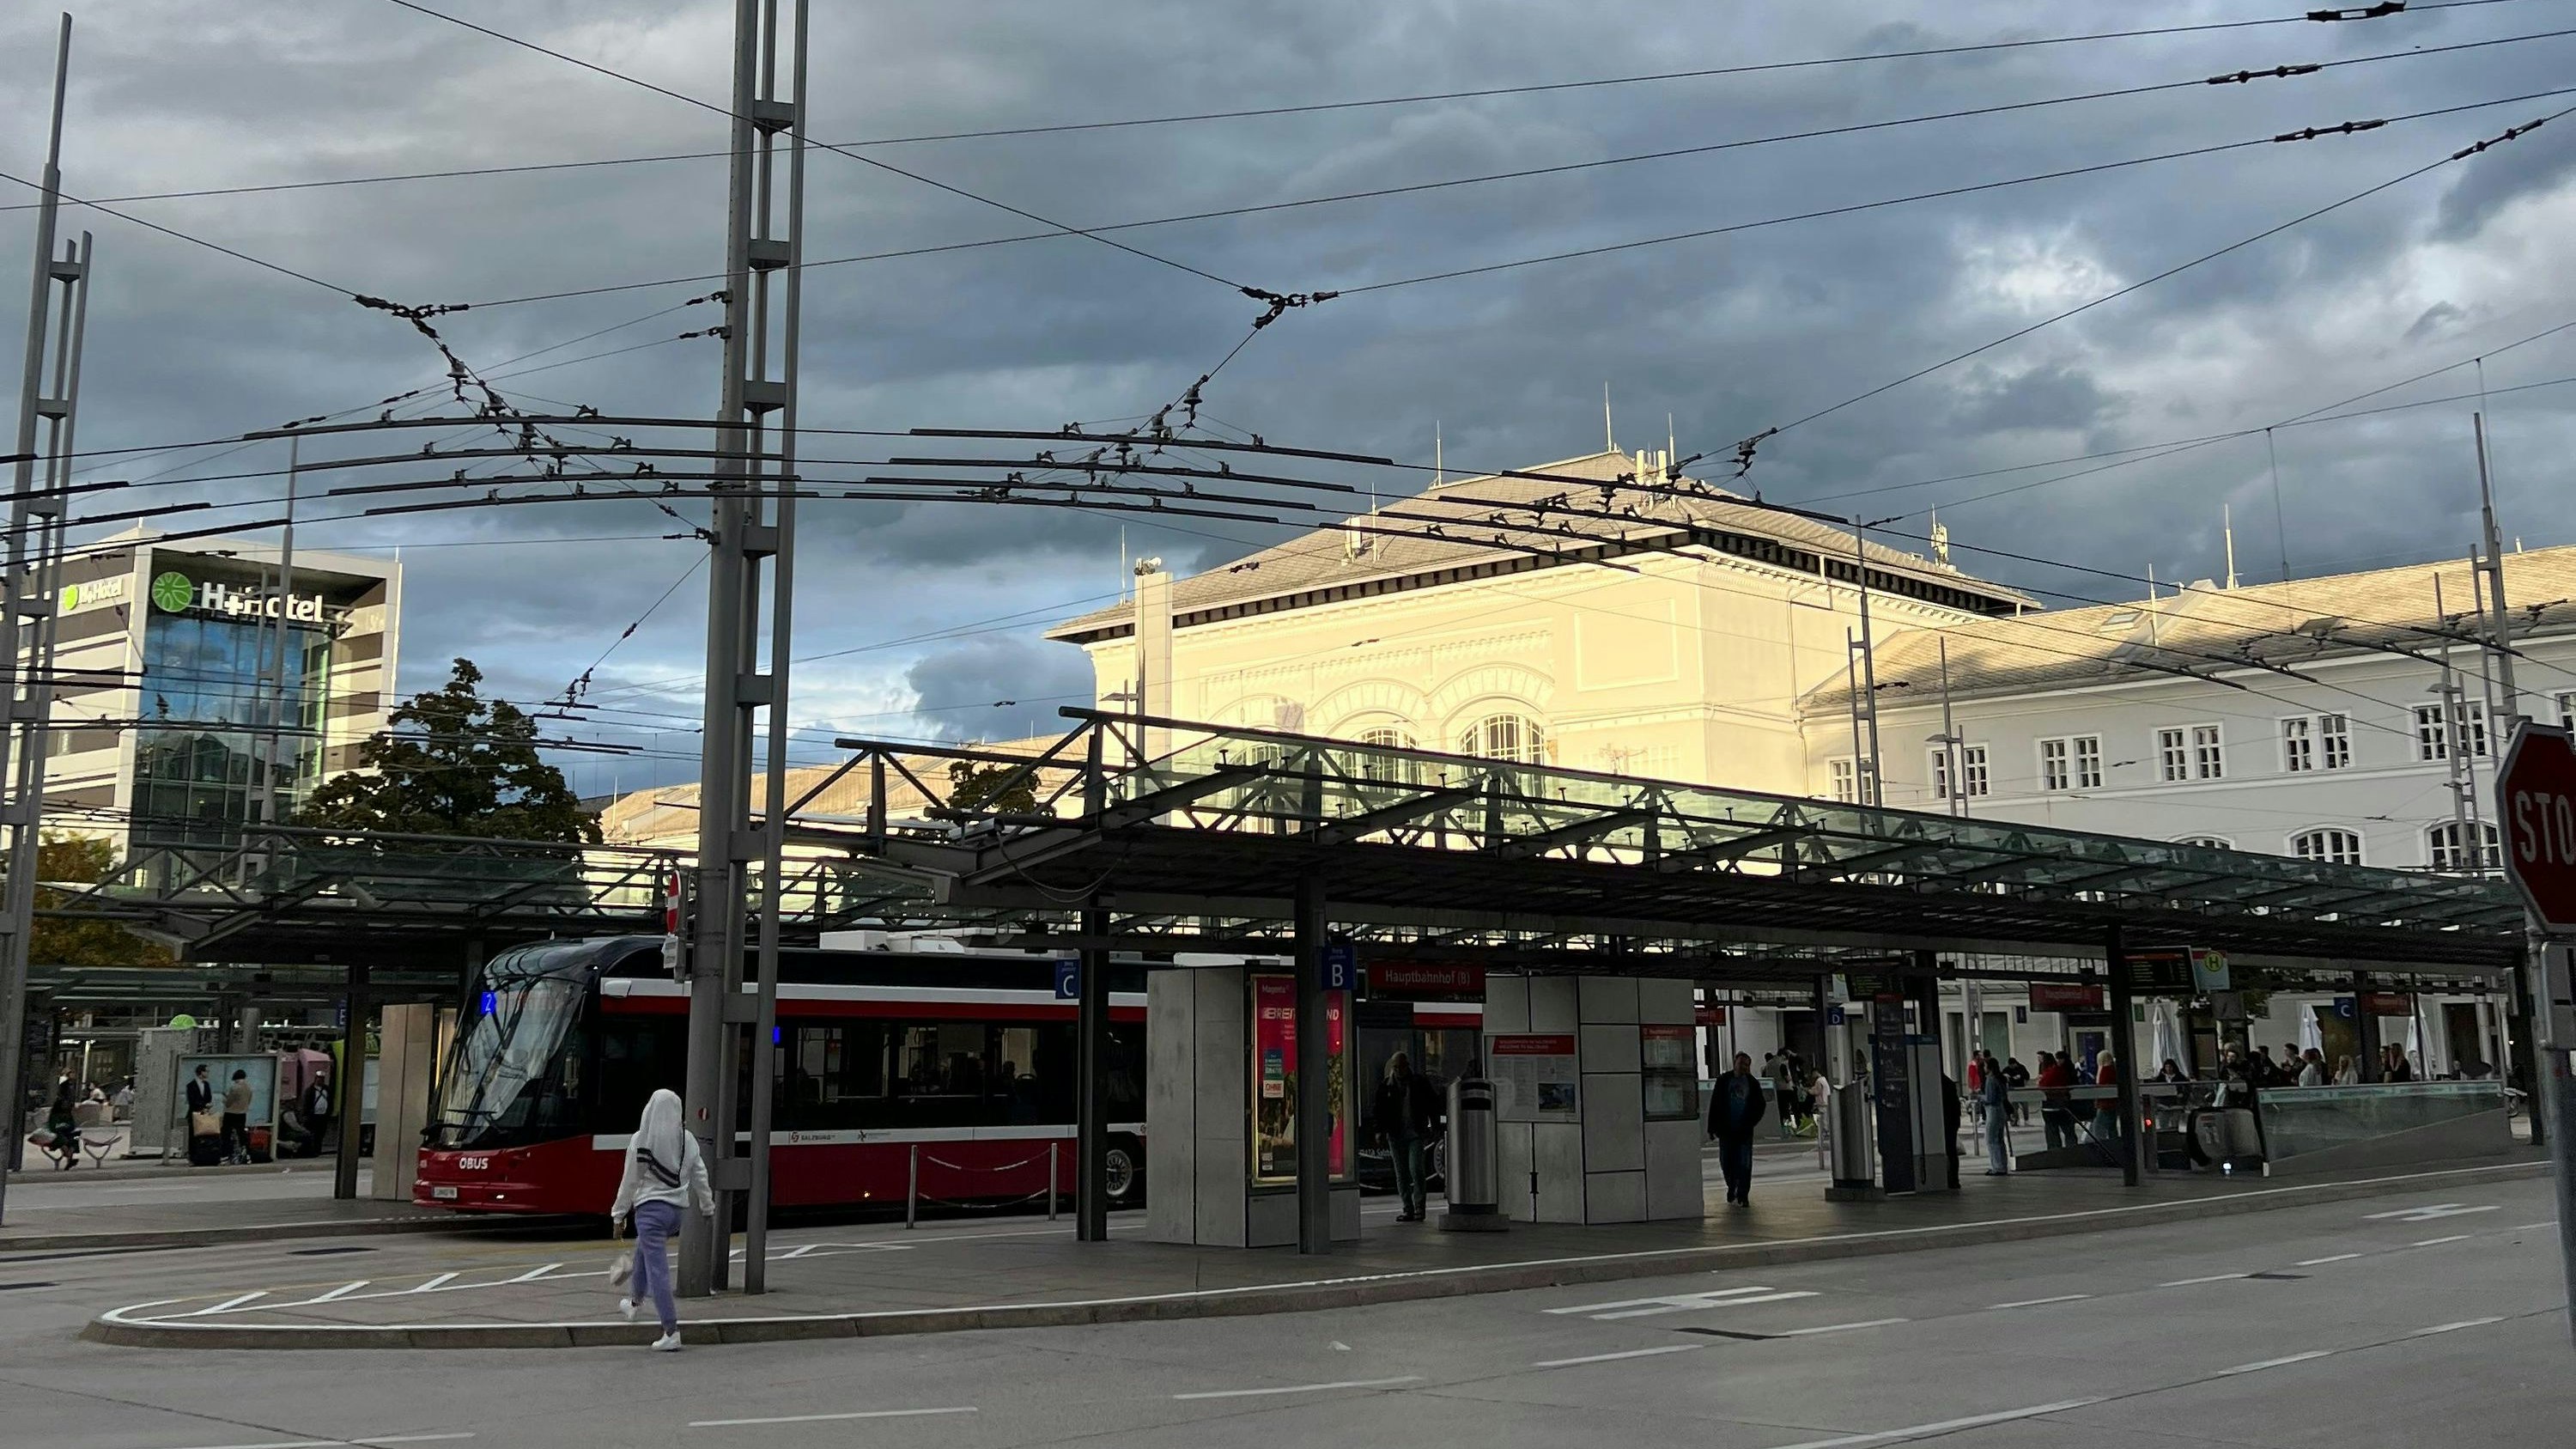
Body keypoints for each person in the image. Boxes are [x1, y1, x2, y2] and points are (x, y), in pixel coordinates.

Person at [611, 1088, 715, 1351]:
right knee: (643, 1253)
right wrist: (707, 1206)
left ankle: (671, 1331)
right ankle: (634, 1304)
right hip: (676, 1214)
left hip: (650, 1212)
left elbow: (630, 1180)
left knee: (658, 1271)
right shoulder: (687, 1139)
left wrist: (618, 1214)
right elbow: (700, 1174)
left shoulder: (641, 1139)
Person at [1373, 1052, 1439, 1222]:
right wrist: (1379, 1130)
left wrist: (1434, 1126)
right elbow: (1379, 1111)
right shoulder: (1386, 1086)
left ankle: (1418, 1207)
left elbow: (1432, 1104)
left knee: (1415, 1169)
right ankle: (1408, 1208)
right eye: (1395, 1067)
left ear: (1407, 1065)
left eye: (1401, 1066)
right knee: (1401, 1173)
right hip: (1396, 1134)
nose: (1398, 1070)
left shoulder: (1419, 1083)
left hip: (1416, 1133)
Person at [1708, 1051, 1768, 1205]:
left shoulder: (1752, 1083)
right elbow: (1715, 1104)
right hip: (1726, 1130)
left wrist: (1751, 1121)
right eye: (1741, 1064)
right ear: (1735, 1063)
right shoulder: (1723, 1081)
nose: (1744, 1068)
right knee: (1726, 1161)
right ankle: (1731, 1185)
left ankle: (1743, 1194)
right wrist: (1712, 1127)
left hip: (1744, 1130)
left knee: (1744, 1163)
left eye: (1747, 1065)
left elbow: (1760, 1105)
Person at [1978, 1050, 2011, 1173]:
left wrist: (1981, 1097)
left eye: (1985, 1066)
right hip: (2001, 1110)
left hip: (1993, 1111)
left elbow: (1990, 1099)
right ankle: (2002, 1165)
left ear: (1989, 1068)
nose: (1984, 1069)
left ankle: (1996, 1167)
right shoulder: (2001, 1079)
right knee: (1999, 1139)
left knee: (1991, 1140)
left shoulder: (1990, 1080)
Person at [2037, 1051, 2077, 1150]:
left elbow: (2042, 1086)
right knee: (2069, 1131)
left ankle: (2055, 1155)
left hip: (2050, 1107)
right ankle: (2074, 1152)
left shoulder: (2048, 1073)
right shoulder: (2062, 1071)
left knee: (2052, 1133)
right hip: (2064, 1105)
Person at [40, 1079, 81, 1169]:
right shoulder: (60, 1104)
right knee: (63, 1138)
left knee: (75, 1136)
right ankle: (69, 1154)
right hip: (57, 1128)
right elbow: (54, 1123)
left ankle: (70, 1155)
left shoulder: (66, 1104)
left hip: (64, 1128)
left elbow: (70, 1121)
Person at [221, 1068, 254, 1165]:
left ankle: (225, 1157)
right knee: (242, 1135)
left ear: (235, 1077)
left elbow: (228, 1103)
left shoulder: (235, 1087)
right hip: (242, 1114)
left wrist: (225, 1099)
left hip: (231, 1113)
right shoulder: (249, 1088)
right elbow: (248, 1101)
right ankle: (247, 1156)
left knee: (226, 1135)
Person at [2002, 1056, 2031, 1124]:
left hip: (2021, 1089)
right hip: (2012, 1089)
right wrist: (2005, 1076)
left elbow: (2027, 1076)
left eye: (2012, 1065)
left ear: (2015, 1064)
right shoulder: (2007, 1069)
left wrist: (2021, 1077)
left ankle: (2026, 1119)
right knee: (2014, 1106)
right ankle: (2016, 1120)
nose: (2011, 1067)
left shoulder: (2021, 1068)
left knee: (2024, 1105)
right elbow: (2002, 1076)